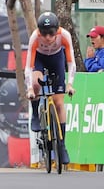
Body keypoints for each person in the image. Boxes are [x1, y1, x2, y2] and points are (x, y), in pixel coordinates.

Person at [24, 11, 76, 164]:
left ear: (57, 31)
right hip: (39, 59)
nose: (47, 37)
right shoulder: (35, 37)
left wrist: (70, 83)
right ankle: (35, 112)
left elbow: (71, 62)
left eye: (51, 33)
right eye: (44, 33)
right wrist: (30, 89)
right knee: (36, 81)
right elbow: (28, 67)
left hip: (56, 59)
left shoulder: (64, 35)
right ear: (39, 31)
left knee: (59, 103)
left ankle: (61, 145)